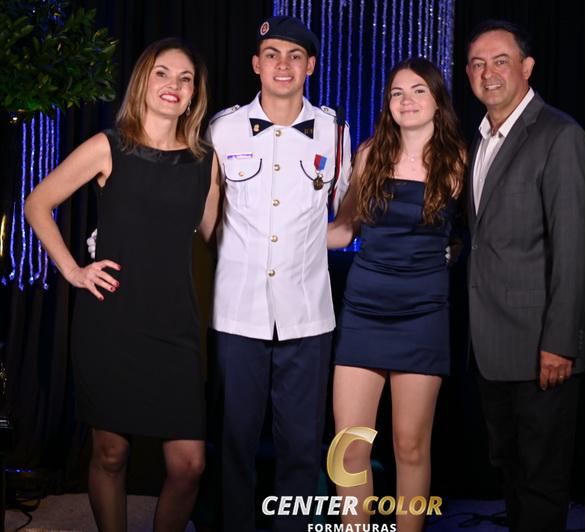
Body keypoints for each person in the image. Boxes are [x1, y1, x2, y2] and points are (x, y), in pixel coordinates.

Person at [25, 38, 220, 531]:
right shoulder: (107, 146)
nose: (173, 85)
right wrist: (74, 270)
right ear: (143, 82)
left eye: (185, 79)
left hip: (175, 325)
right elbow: (38, 203)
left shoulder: (206, 161)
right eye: (162, 73)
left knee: (189, 465)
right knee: (110, 454)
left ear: (194, 95)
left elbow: (216, 236)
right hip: (111, 322)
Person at [204, 16, 351, 532]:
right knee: (233, 442)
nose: (282, 65)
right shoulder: (223, 128)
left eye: (294, 56)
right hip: (236, 312)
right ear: (256, 64)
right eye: (271, 54)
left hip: (307, 315)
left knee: (303, 446)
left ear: (311, 66)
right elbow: (207, 218)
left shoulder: (335, 132)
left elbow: (345, 220)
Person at [464, 20, 585, 531]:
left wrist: (560, 343)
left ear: (526, 67)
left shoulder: (560, 136)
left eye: (500, 61)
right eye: (478, 64)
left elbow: (574, 248)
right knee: (512, 474)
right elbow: (483, 239)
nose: (488, 73)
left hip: (542, 347)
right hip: (492, 346)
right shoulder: (480, 140)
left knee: (541, 483)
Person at [328, 57, 466, 532]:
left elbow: (483, 232)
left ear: (437, 101)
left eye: (418, 91)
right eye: (397, 93)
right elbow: (344, 230)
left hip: (422, 314)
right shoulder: (369, 155)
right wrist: (277, 237)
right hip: (364, 310)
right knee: (350, 447)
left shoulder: (459, 160)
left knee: (410, 446)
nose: (407, 101)